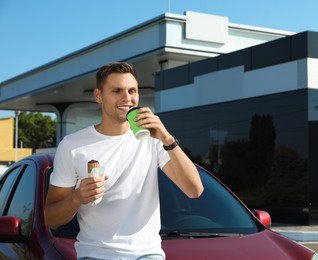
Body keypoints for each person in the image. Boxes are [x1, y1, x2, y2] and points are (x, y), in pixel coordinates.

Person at [45, 62, 204, 260]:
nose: (127, 98)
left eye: (132, 90)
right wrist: (77, 197)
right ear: (98, 96)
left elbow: (194, 189)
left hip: (146, 254)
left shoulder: (153, 139)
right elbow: (52, 218)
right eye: (117, 90)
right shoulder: (72, 145)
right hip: (96, 255)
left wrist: (167, 139)